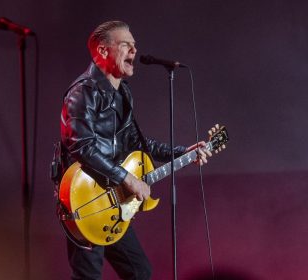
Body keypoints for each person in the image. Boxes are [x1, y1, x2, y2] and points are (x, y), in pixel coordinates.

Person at [59, 20, 211, 280]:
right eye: (126, 45)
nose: (134, 52)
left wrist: (182, 153)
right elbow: (81, 146)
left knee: (139, 272)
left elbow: (137, 143)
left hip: (115, 199)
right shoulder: (82, 92)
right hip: (87, 200)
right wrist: (127, 178)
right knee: (87, 276)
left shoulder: (123, 94)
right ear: (104, 51)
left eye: (134, 46)